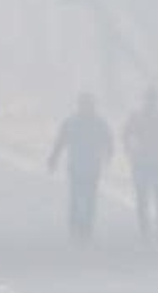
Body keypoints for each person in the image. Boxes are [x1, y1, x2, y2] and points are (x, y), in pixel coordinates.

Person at [47, 92, 114, 240]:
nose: (86, 107)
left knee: (89, 198)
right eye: (84, 104)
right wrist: (53, 158)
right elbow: (60, 142)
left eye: (88, 105)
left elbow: (108, 141)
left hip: (91, 167)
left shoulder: (96, 123)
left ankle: (86, 226)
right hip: (77, 166)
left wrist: (109, 154)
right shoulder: (73, 122)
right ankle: (76, 225)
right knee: (77, 197)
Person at [123, 86, 158, 243]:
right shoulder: (136, 117)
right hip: (140, 162)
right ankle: (144, 225)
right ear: (144, 100)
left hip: (157, 162)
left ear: (156, 101)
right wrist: (129, 151)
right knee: (142, 196)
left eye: (153, 99)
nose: (151, 102)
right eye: (148, 99)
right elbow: (125, 134)